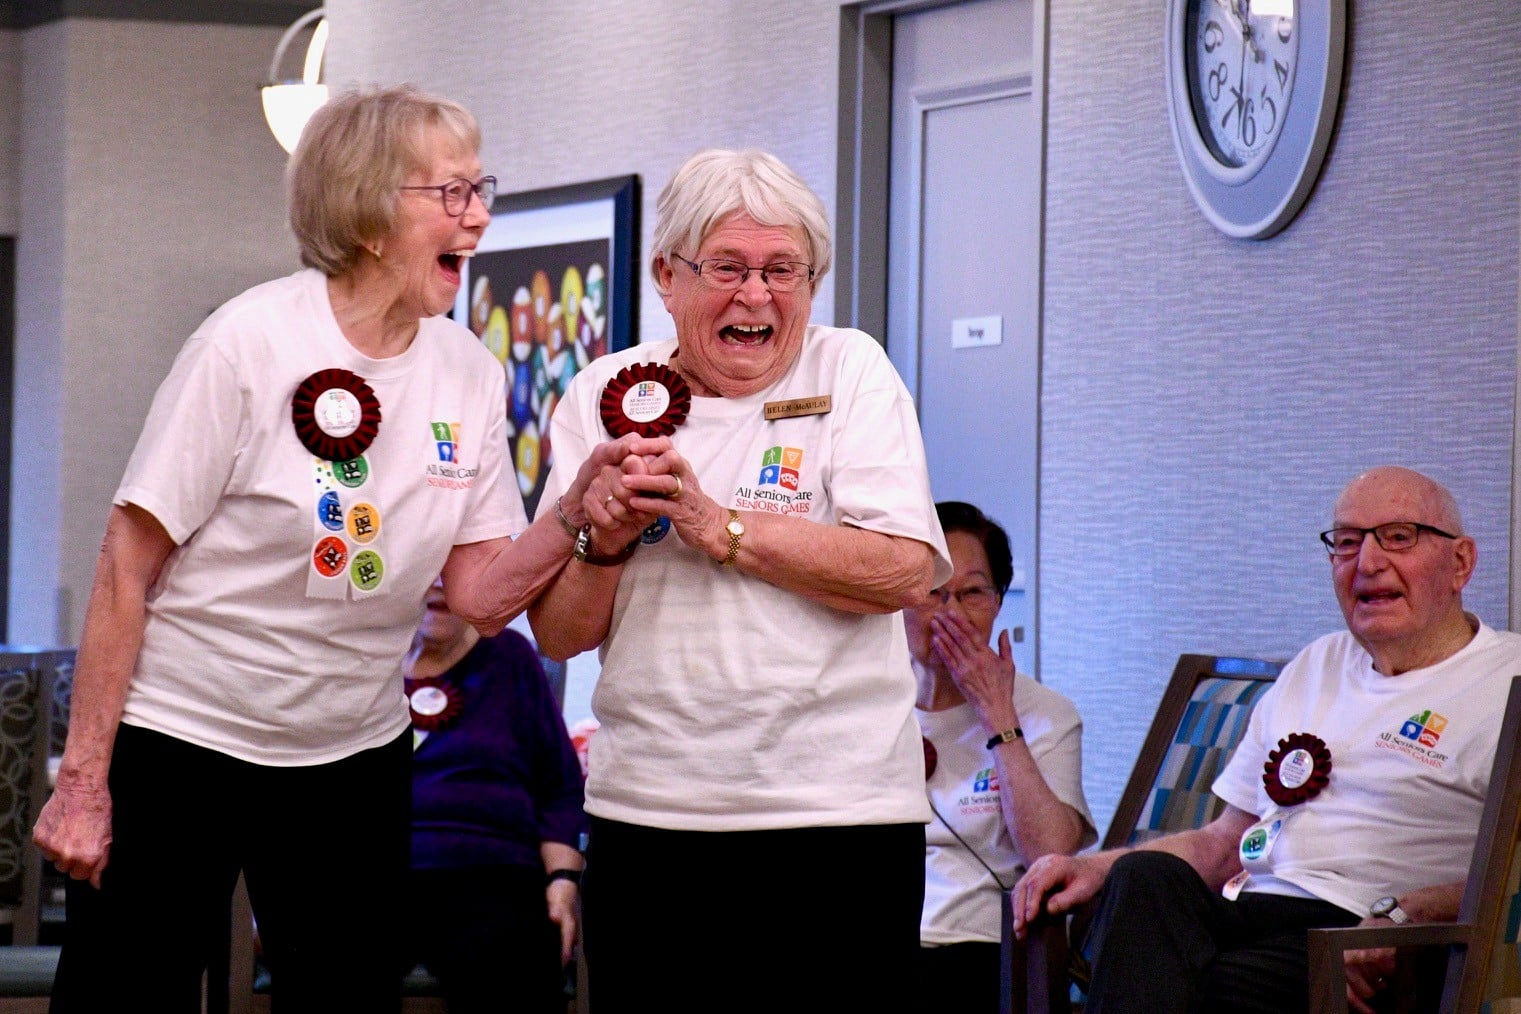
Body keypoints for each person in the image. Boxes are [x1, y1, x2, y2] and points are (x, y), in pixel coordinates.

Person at [34, 85, 642, 1011]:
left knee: (346, 999)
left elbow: (480, 596)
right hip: (188, 731)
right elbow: (127, 561)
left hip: (351, 749)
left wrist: (574, 515)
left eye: (481, 188)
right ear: (366, 211)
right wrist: (83, 780)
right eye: (451, 192)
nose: (478, 214)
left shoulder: (469, 374)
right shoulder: (247, 342)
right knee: (127, 993)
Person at [527, 148, 953, 1009]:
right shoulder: (604, 394)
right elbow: (560, 636)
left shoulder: (850, 370)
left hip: (840, 817)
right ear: (666, 276)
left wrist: (716, 525)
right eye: (725, 267)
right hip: (653, 813)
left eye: (782, 270)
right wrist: (603, 538)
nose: (754, 295)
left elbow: (903, 570)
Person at [1012, 465, 1521, 1014]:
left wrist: (1406, 915)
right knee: (1143, 879)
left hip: (1372, 935)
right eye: (1347, 543)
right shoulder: (1316, 663)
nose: (1368, 563)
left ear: (1461, 562)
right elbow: (1224, 839)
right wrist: (1095, 867)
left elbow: (1512, 878)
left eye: (1399, 537)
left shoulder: (1506, 679)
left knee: (1181, 984)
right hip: (1253, 907)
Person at [909, 501, 1095, 1012]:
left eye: (971, 592)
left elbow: (1052, 854)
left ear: (996, 604)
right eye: (931, 591)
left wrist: (997, 715)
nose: (950, 612)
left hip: (983, 950)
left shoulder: (1045, 714)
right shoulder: (862, 704)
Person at [405, 578, 585, 1013]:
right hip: (374, 872)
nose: (440, 581)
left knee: (511, 960)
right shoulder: (362, 658)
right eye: (429, 560)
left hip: (495, 869)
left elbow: (560, 786)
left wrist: (563, 883)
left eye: (456, 564)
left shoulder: (512, 659)